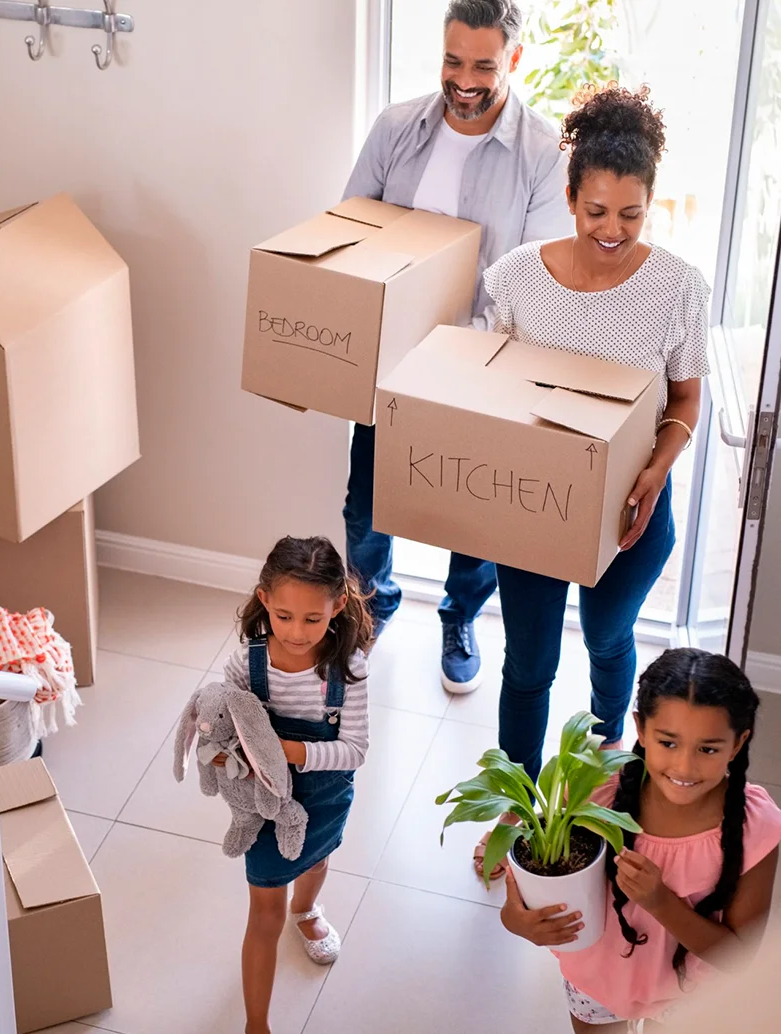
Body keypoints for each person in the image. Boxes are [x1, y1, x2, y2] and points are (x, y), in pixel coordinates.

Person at [474, 83, 710, 877]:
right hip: (536, 514)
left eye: (631, 215)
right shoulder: (515, 279)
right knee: (530, 663)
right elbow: (488, 386)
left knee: (610, 638)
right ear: (570, 198)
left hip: (635, 513)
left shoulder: (678, 287)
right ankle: (512, 810)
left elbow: (684, 399)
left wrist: (653, 471)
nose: (612, 231)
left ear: (651, 207)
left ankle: (609, 754)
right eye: (596, 211)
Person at [342, 0, 573, 694]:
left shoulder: (542, 153)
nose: (464, 80)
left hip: (481, 369)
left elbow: (532, 282)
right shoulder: (395, 130)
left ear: (515, 61)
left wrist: (461, 352)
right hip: (389, 362)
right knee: (366, 500)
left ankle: (458, 614)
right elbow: (350, 231)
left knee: (472, 515)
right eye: (452, 60)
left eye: (483, 65)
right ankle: (370, 605)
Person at [501, 649, 781, 1032]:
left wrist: (661, 902)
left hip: (692, 998)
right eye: (668, 743)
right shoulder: (592, 792)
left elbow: (739, 957)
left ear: (737, 743)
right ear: (641, 729)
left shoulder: (757, 829)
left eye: (708, 749)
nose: (684, 766)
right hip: (597, 981)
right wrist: (516, 919)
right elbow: (536, 876)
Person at [218, 536, 372, 1034]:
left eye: (313, 619)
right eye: (283, 616)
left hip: (326, 795)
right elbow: (225, 723)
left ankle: (306, 909)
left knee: (319, 859)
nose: (297, 632)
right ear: (264, 600)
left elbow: (355, 750)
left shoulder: (347, 670)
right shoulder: (247, 663)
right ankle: (256, 1023)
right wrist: (226, 753)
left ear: (338, 606)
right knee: (264, 911)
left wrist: (291, 752)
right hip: (266, 804)